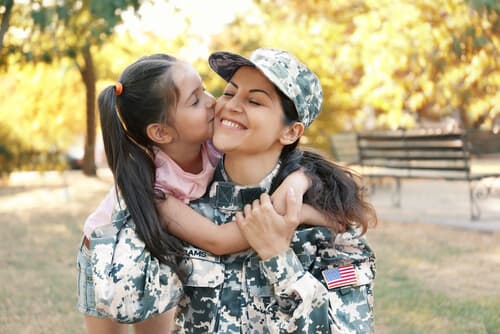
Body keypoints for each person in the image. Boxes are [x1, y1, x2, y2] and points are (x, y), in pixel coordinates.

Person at [77, 53, 321, 334]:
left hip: (156, 253)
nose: (213, 101)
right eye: (195, 100)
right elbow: (218, 240)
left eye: (204, 89)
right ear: (161, 132)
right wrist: (297, 211)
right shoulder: (157, 187)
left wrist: (299, 180)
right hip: (104, 256)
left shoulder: (215, 145)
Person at [164, 48, 377, 333]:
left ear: (290, 132)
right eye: (229, 93)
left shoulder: (330, 227)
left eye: (254, 100)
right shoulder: (183, 203)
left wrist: (278, 256)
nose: (231, 106)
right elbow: (123, 304)